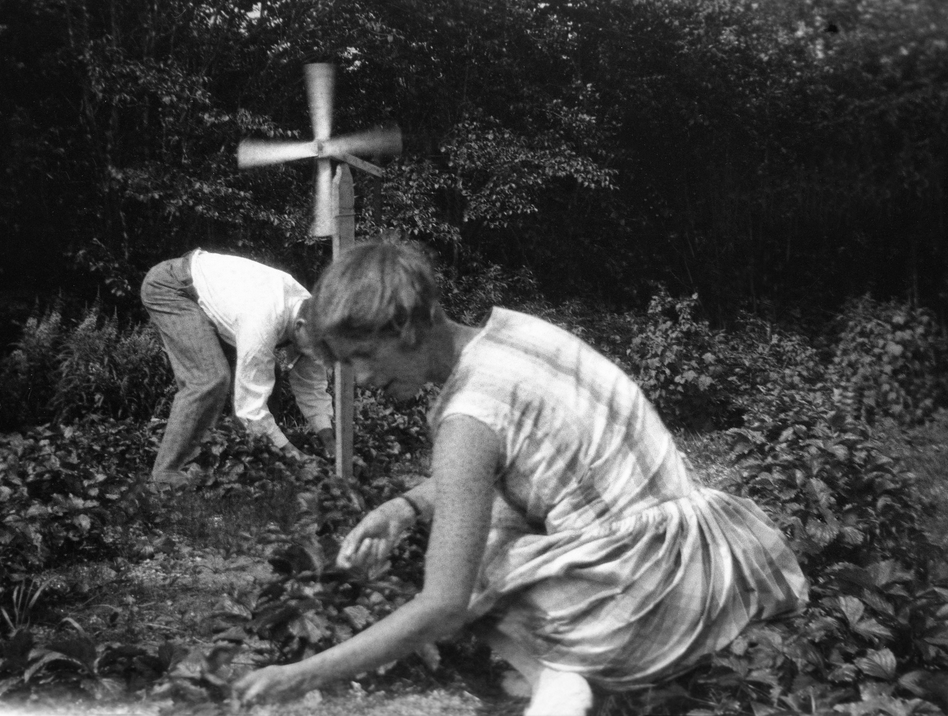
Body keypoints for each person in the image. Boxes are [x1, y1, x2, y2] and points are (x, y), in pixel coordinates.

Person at [233, 241, 808, 716]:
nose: (359, 378)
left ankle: (561, 679)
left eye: (363, 355)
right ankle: (567, 675)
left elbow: (441, 608)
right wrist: (403, 508)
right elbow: (511, 456)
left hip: (643, 597)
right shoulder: (513, 335)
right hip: (704, 553)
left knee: (469, 564)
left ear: (408, 327)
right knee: (485, 522)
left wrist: (300, 676)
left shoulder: (466, 421)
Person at [140, 249, 336, 488]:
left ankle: (242, 458)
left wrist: (330, 441)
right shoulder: (263, 319)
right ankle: (166, 475)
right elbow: (250, 409)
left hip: (212, 298)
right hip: (173, 288)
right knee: (209, 379)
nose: (320, 354)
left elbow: (312, 386)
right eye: (318, 347)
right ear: (300, 326)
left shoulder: (314, 317)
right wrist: (295, 455)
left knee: (268, 374)